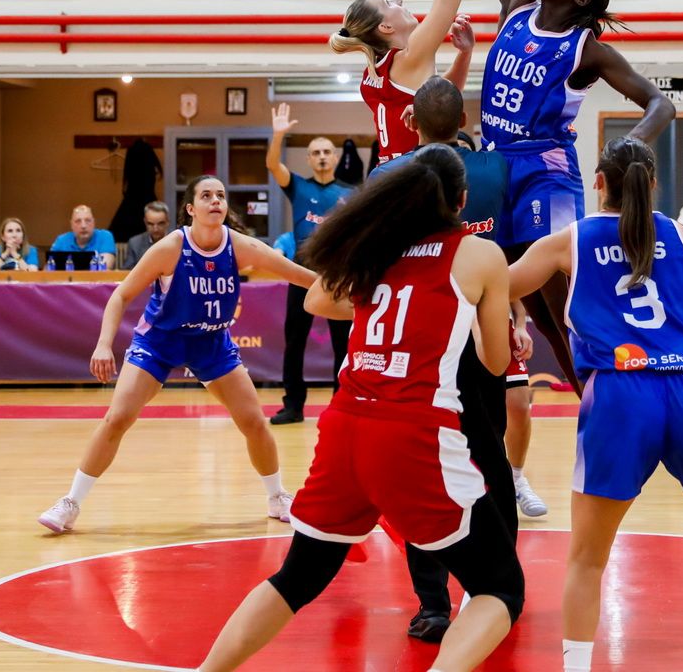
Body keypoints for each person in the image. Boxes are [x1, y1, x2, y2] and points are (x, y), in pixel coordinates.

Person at [198, 146, 523, 672]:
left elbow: (316, 299)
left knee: (296, 578)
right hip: (413, 434)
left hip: (345, 427)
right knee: (500, 588)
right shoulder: (480, 254)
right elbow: (495, 362)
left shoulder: (378, 248)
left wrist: (377, 297)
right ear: (462, 200)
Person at [509, 137, 683, 672]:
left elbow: (492, 285)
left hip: (620, 393)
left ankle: (576, 668)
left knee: (587, 560)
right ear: (653, 183)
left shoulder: (571, 239)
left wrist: (512, 320)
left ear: (598, 183)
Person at [448, 0, 676, 392]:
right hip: (494, 165)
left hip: (545, 171)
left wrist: (628, 146)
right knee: (514, 299)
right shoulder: (516, 6)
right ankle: (571, 397)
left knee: (561, 300)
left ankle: (607, 393)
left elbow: (661, 104)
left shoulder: (586, 49)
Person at [36, 176, 316, 535]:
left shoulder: (241, 246)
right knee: (118, 417)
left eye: (220, 195)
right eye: (206, 195)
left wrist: (349, 287)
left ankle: (277, 496)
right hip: (161, 341)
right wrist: (104, 344)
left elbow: (300, 276)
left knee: (254, 422)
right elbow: (121, 295)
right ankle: (70, 503)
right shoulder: (170, 247)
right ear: (191, 209)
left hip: (211, 341)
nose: (215, 201)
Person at [379, 76, 538, 642]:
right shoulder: (495, 169)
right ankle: (503, 585)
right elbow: (512, 252)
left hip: (418, 342)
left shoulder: (389, 175)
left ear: (410, 122)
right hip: (477, 329)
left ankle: (432, 605)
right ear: (464, 122)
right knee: (490, 459)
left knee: (420, 470)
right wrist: (518, 318)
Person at [331, 0, 477, 161]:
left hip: (392, 174)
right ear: (385, 27)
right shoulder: (409, 57)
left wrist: (464, 54)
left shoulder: (374, 74)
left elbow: (442, 96)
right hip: (411, 174)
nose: (399, 1)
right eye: (388, 3)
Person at [265, 104, 353, 425]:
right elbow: (272, 165)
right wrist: (278, 135)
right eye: (316, 152)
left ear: (335, 158)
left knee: (342, 343)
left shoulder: (351, 193)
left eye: (327, 152)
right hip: (301, 269)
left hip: (337, 271)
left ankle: (342, 403)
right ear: (308, 159)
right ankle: (293, 405)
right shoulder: (298, 186)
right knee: (295, 340)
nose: (322, 157)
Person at [48, 205, 116, 270]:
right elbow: (48, 268)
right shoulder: (61, 240)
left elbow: (105, 267)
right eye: (78, 221)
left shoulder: (105, 236)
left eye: (88, 220)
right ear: (71, 225)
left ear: (94, 223)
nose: (83, 226)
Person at [120, 201, 170, 270]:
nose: (155, 229)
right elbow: (127, 270)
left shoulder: (178, 240)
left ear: (168, 222)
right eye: (150, 224)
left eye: (160, 223)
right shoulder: (135, 243)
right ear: (145, 222)